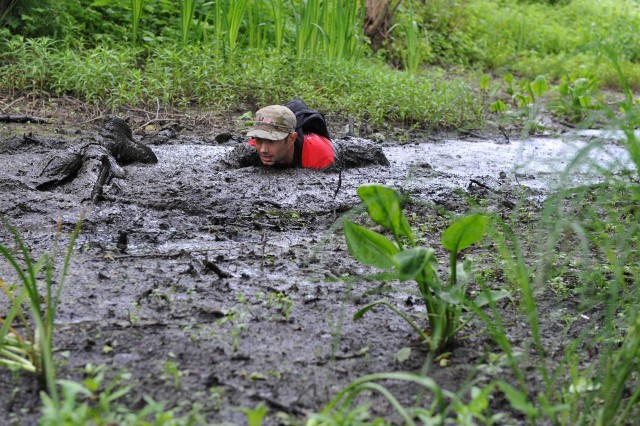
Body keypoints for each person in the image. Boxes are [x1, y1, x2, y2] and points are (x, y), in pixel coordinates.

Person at [246, 105, 335, 170]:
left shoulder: (320, 158)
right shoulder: (252, 146)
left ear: (291, 138)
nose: (263, 150)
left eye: (271, 141)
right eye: (259, 139)